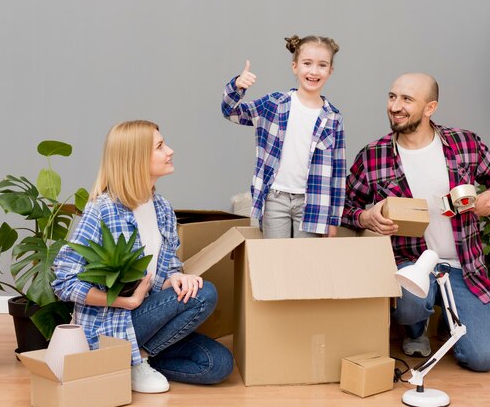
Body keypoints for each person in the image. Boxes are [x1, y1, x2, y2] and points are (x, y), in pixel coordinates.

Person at [342, 73, 490, 372]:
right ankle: (415, 327)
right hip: (409, 263)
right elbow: (345, 207)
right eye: (392, 96)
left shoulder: (464, 143)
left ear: (430, 108)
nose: (395, 106)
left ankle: (453, 323)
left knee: (484, 359)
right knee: (410, 303)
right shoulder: (373, 155)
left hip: (464, 266)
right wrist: (365, 217)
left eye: (407, 99)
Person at [52, 120, 233, 393]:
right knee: (205, 293)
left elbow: (167, 264)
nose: (170, 150)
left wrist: (177, 277)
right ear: (135, 159)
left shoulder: (161, 207)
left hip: (149, 321)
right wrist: (126, 301)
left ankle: (133, 360)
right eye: (160, 146)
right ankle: (132, 360)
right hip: (112, 324)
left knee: (218, 364)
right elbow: (64, 281)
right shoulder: (102, 210)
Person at [221, 34, 346, 238]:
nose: (314, 71)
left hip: (312, 203)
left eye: (322, 65)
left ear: (330, 70)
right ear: (294, 66)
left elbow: (338, 173)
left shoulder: (333, 117)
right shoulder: (274, 104)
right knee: (275, 260)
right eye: (307, 63)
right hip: (275, 198)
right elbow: (231, 112)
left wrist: (333, 220)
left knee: (305, 263)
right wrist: (237, 86)